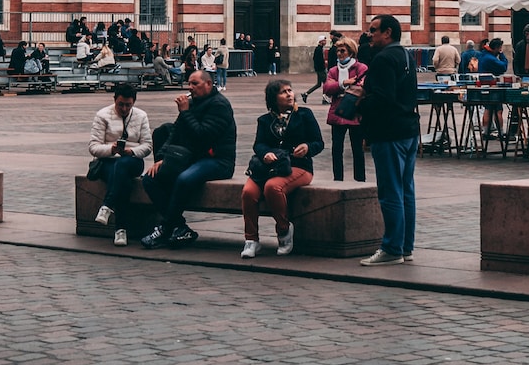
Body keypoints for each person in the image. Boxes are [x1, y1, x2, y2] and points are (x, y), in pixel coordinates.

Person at [139, 69, 237, 250]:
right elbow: (175, 133)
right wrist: (162, 158)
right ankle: (179, 226)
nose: (190, 88)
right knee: (150, 179)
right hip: (193, 158)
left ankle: (166, 227)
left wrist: (185, 113)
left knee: (184, 179)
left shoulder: (219, 105)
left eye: (195, 84)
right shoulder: (192, 104)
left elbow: (203, 136)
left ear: (208, 84)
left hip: (218, 161)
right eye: (189, 83)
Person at [357, 15, 418, 266]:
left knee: (390, 191)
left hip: (389, 132)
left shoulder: (382, 59)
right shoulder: (405, 55)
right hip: (409, 130)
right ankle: (405, 246)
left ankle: (392, 248)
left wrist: (360, 100)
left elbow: (383, 98)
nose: (369, 35)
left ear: (388, 33)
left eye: (374, 30)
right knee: (406, 191)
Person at [241, 78, 324, 258]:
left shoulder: (304, 114)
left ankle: (284, 230)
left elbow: (318, 142)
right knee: (248, 192)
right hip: (268, 167)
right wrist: (266, 154)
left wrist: (308, 147)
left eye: (290, 90)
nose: (289, 94)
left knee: (273, 187)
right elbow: (259, 144)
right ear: (273, 98)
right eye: (283, 92)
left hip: (298, 166)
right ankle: (251, 240)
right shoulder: (264, 120)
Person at [88, 83, 152, 246]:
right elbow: (94, 147)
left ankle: (108, 206)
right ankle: (120, 229)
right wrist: (112, 149)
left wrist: (131, 151)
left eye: (128, 105)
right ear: (115, 100)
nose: (124, 109)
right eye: (120, 104)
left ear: (134, 103)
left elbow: (147, 146)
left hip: (132, 160)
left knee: (122, 167)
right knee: (122, 181)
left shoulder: (141, 116)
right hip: (108, 161)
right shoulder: (103, 115)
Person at [323, 38, 367, 182]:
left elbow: (362, 86)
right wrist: (343, 83)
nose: (339, 54)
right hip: (337, 112)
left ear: (351, 52)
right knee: (336, 149)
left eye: (343, 51)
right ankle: (338, 179)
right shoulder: (333, 70)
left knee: (357, 149)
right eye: (338, 51)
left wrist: (339, 87)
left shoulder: (361, 68)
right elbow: (327, 88)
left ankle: (360, 179)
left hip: (354, 112)